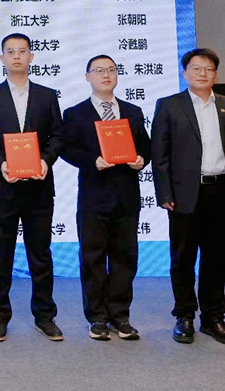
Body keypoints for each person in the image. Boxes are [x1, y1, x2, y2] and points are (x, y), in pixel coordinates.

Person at [151, 48, 225, 346]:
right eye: (196, 68)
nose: (202, 73)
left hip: (221, 191)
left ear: (215, 75)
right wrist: (164, 193)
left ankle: (213, 318)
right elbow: (160, 154)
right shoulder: (169, 105)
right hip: (184, 194)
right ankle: (184, 316)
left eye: (208, 69)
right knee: (182, 258)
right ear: (185, 73)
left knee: (216, 258)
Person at [0, 33, 64, 342]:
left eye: (22, 51)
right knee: (1, 254)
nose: (16, 56)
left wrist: (45, 161)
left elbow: (57, 136)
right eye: (10, 51)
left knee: (40, 254)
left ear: (31, 57)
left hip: (38, 186)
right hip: (4, 185)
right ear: (2, 58)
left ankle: (45, 316)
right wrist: (1, 163)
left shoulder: (47, 95)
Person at [61, 54, 151, 341]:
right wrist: (92, 161)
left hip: (126, 196)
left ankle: (120, 316)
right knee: (93, 258)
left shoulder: (133, 111)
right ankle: (97, 317)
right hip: (94, 197)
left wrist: (141, 159)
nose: (106, 75)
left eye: (111, 70)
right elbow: (66, 149)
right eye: (99, 70)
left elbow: (146, 147)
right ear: (87, 77)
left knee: (125, 257)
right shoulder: (75, 113)